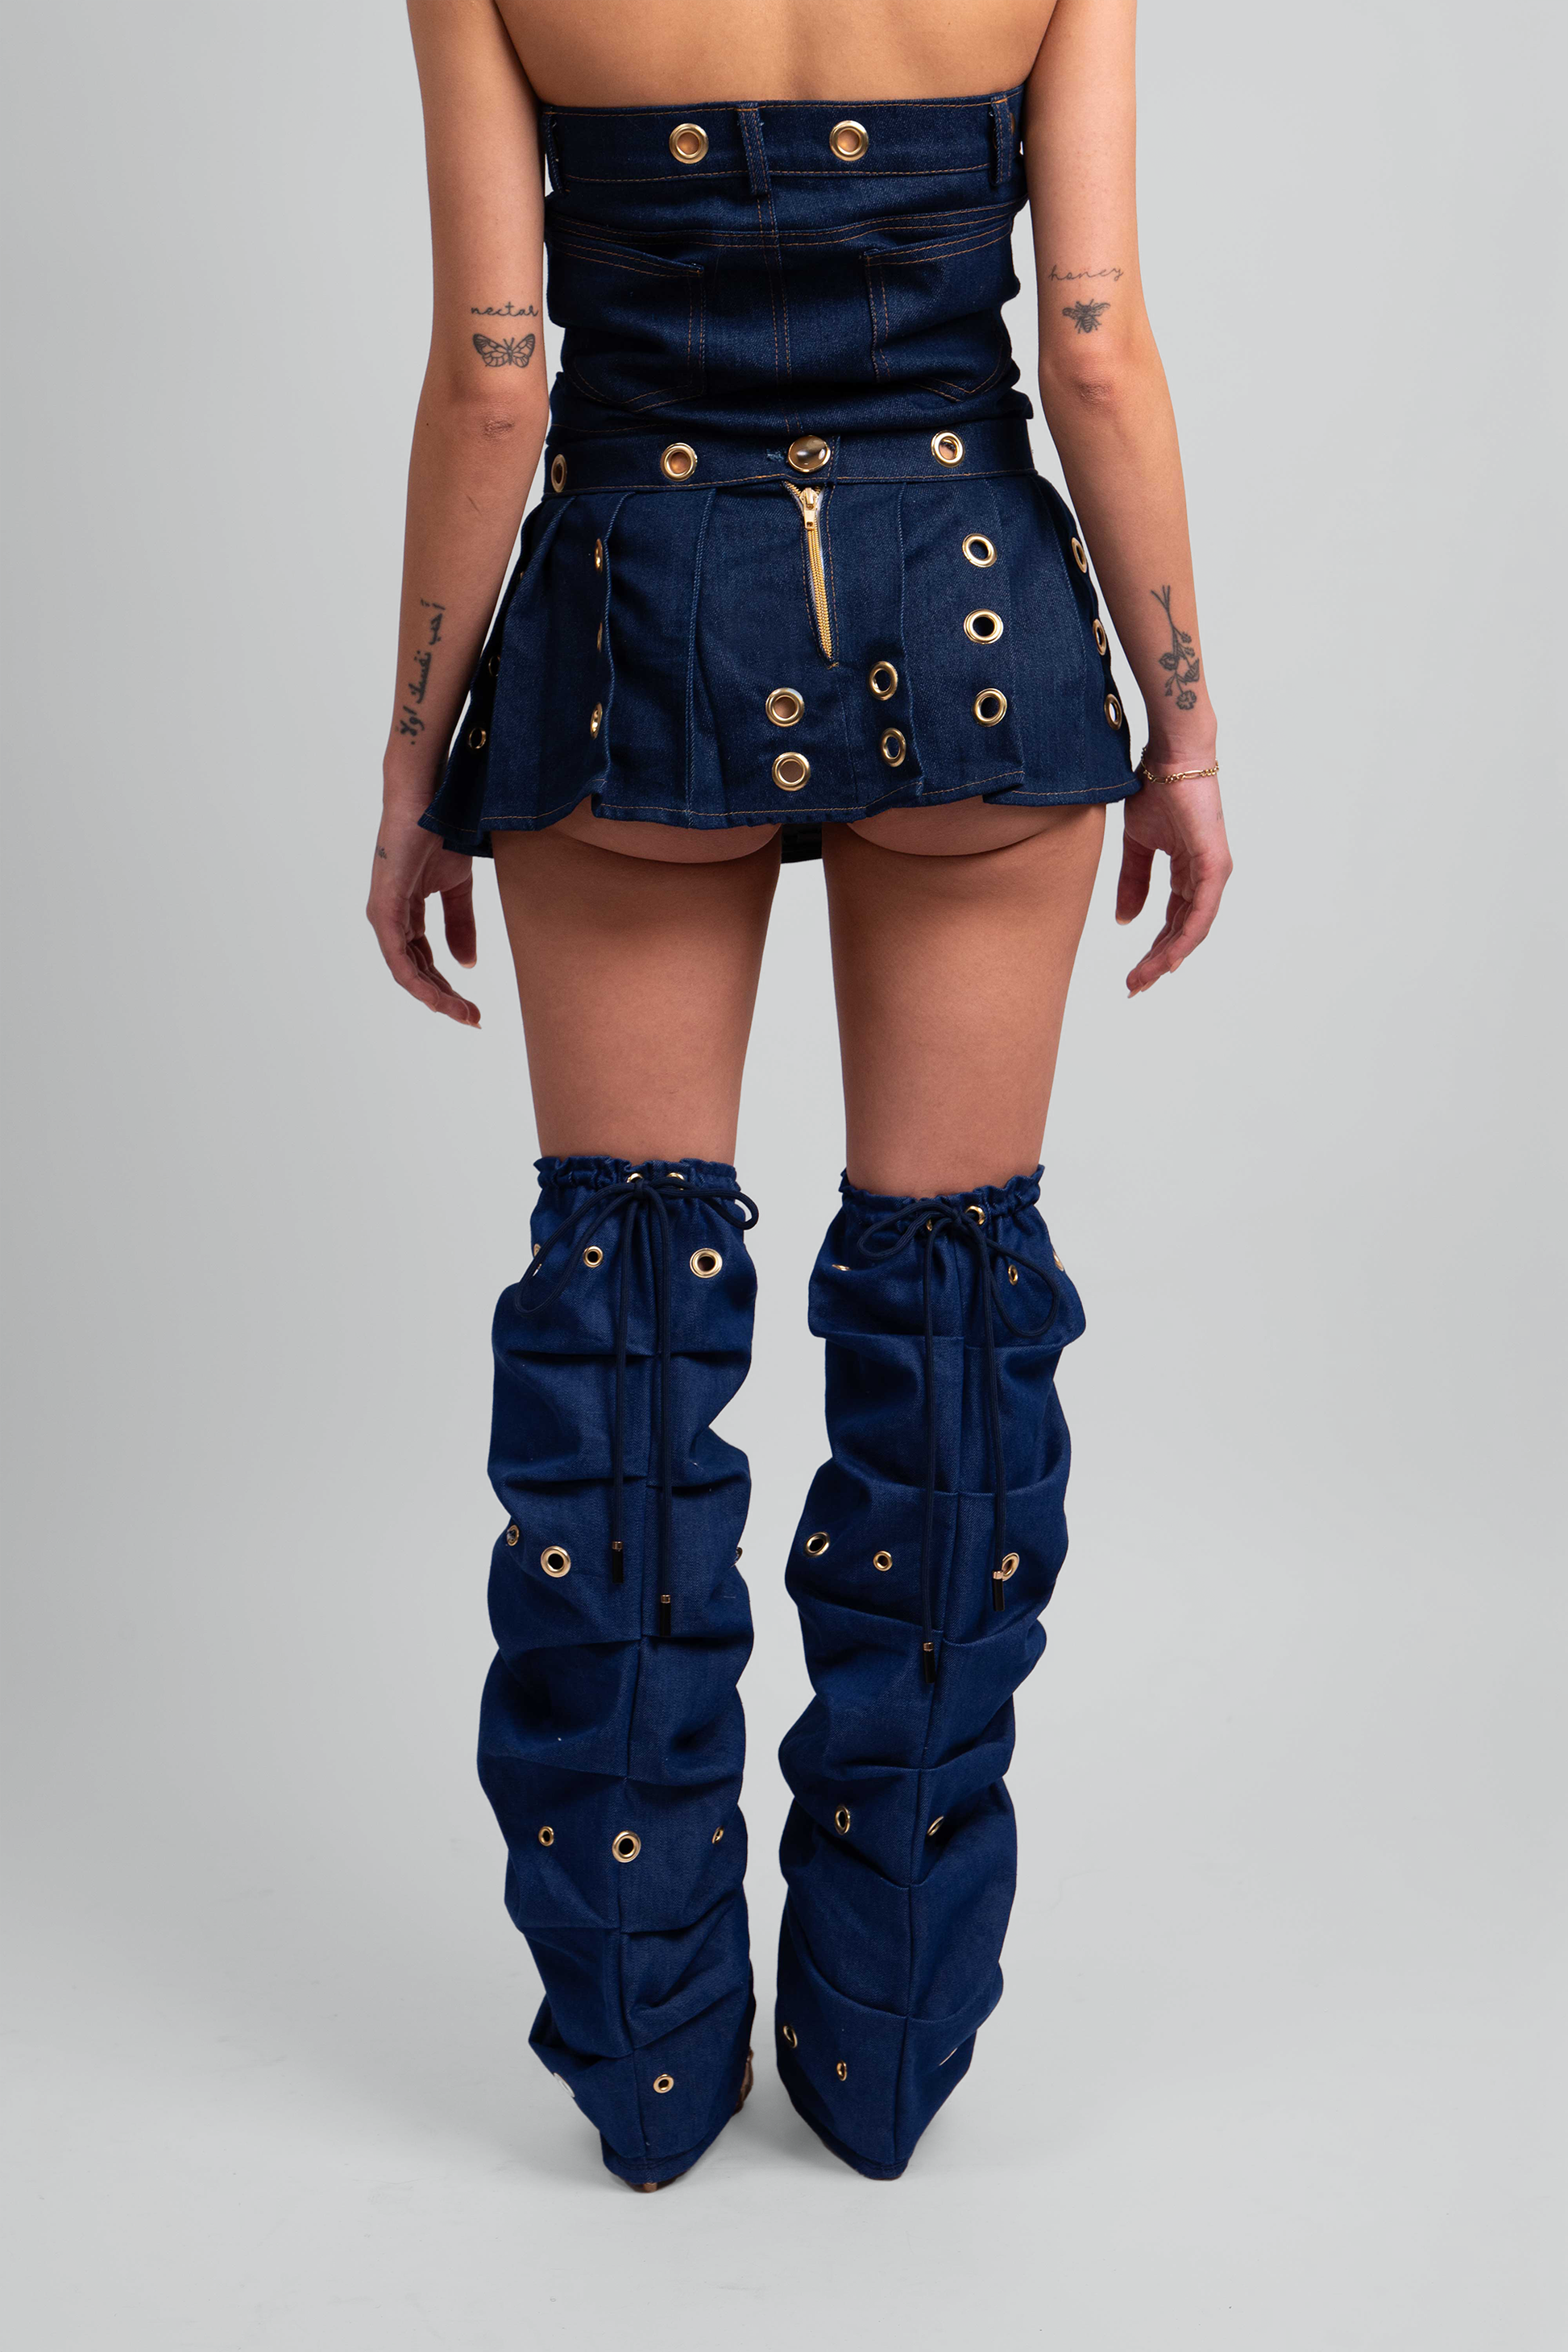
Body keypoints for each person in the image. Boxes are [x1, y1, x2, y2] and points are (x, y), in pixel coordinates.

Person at [368, 0, 1231, 2191]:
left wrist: (416, 759)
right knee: (954, 1337)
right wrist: (1185, 720)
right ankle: (882, 2052)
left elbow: (494, 374)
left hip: (631, 613)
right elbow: (1096, 343)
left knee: (625, 1345)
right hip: (972, 621)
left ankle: (650, 2073)